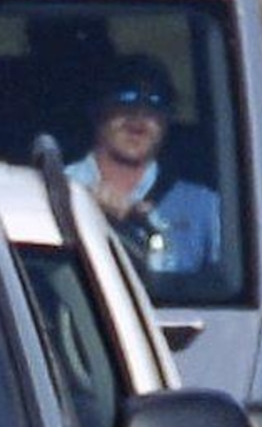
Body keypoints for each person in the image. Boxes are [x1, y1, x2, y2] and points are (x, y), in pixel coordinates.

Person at [68, 65, 233, 299]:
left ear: (168, 119)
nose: (138, 118)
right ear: (97, 111)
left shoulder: (204, 206)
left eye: (154, 105)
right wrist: (79, 206)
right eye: (124, 101)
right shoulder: (56, 189)